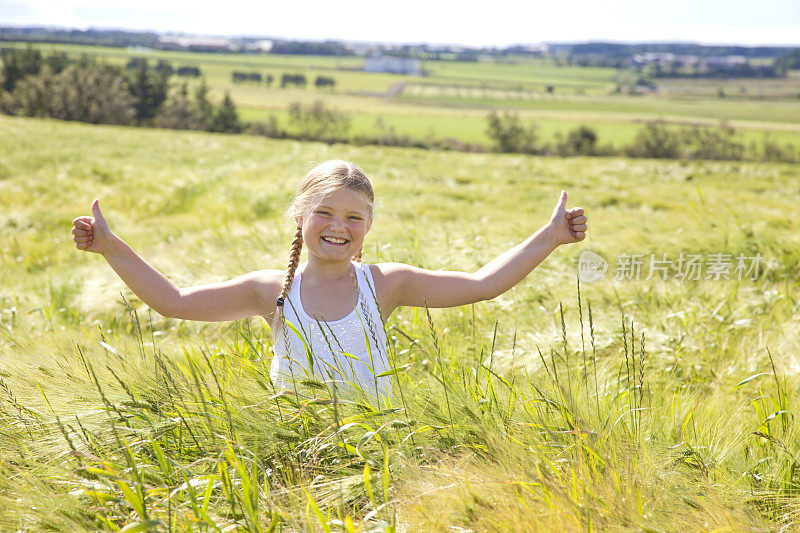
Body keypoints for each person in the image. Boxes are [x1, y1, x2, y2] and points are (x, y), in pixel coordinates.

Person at [71, 159, 587, 405]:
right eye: (324, 212)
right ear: (300, 217)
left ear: (368, 229)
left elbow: (481, 284)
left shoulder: (387, 285)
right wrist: (111, 247)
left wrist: (550, 237)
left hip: (374, 447)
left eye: (354, 218)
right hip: (292, 446)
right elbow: (174, 302)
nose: (339, 227)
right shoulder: (269, 291)